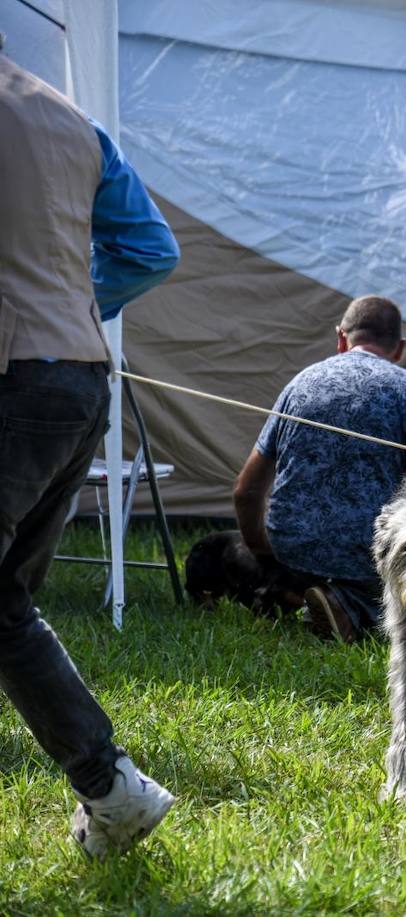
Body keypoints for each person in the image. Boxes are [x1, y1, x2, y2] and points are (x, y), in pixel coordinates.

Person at [0, 49, 180, 857]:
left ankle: (112, 784)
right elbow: (151, 250)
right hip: (76, 379)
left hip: (11, 379)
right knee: (4, 607)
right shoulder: (71, 116)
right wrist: (74, 309)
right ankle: (112, 789)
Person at [233, 296, 406, 643]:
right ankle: (347, 607)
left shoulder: (299, 384)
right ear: (401, 348)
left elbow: (245, 490)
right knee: (399, 601)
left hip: (292, 548)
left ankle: (292, 590)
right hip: (364, 552)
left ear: (340, 337)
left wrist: (263, 552)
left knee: (305, 571)